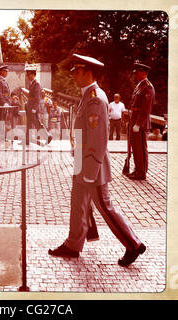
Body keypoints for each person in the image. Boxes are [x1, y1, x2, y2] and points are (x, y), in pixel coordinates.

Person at [48, 54, 146, 267]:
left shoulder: (95, 98)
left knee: (105, 207)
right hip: (82, 163)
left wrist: (89, 170)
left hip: (92, 166)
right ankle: (73, 244)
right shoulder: (88, 95)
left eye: (77, 72)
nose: (73, 75)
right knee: (78, 205)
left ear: (88, 73)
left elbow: (98, 139)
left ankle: (133, 244)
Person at [126, 63, 155, 180]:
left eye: (137, 72)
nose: (135, 74)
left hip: (140, 123)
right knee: (135, 147)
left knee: (141, 149)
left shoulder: (148, 87)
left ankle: (141, 172)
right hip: (134, 120)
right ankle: (137, 169)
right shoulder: (139, 86)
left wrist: (138, 123)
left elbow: (146, 109)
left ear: (144, 73)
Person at [25, 65, 52, 144]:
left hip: (33, 107)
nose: (28, 76)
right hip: (30, 106)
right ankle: (28, 139)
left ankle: (47, 136)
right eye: (28, 74)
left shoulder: (36, 84)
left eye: (29, 74)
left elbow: (37, 98)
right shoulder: (32, 83)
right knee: (29, 123)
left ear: (33, 74)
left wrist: (34, 108)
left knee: (36, 123)